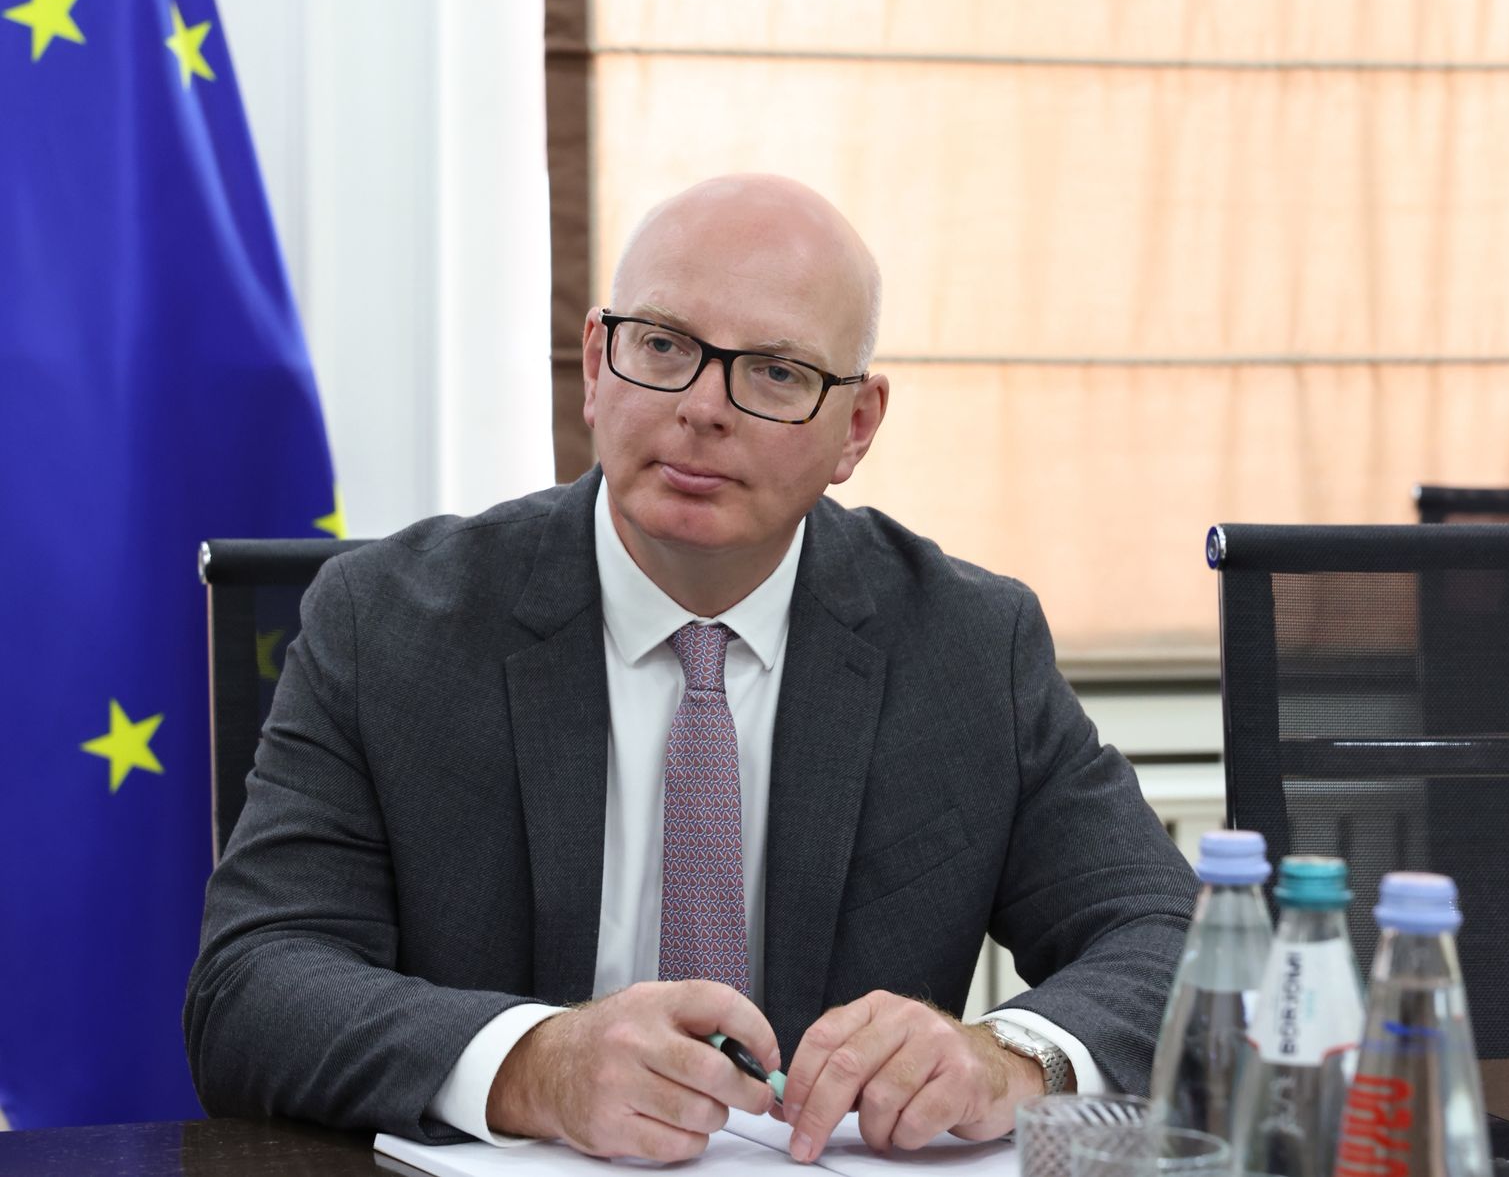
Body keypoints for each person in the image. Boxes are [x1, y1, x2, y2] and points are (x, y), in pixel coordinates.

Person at [184, 174, 1199, 1164]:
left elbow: (1170, 936)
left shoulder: (966, 646)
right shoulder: (390, 625)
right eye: (664, 346)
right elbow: (253, 984)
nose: (704, 407)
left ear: (855, 427)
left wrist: (1011, 1059)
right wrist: (536, 1065)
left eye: (775, 372)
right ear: (596, 364)